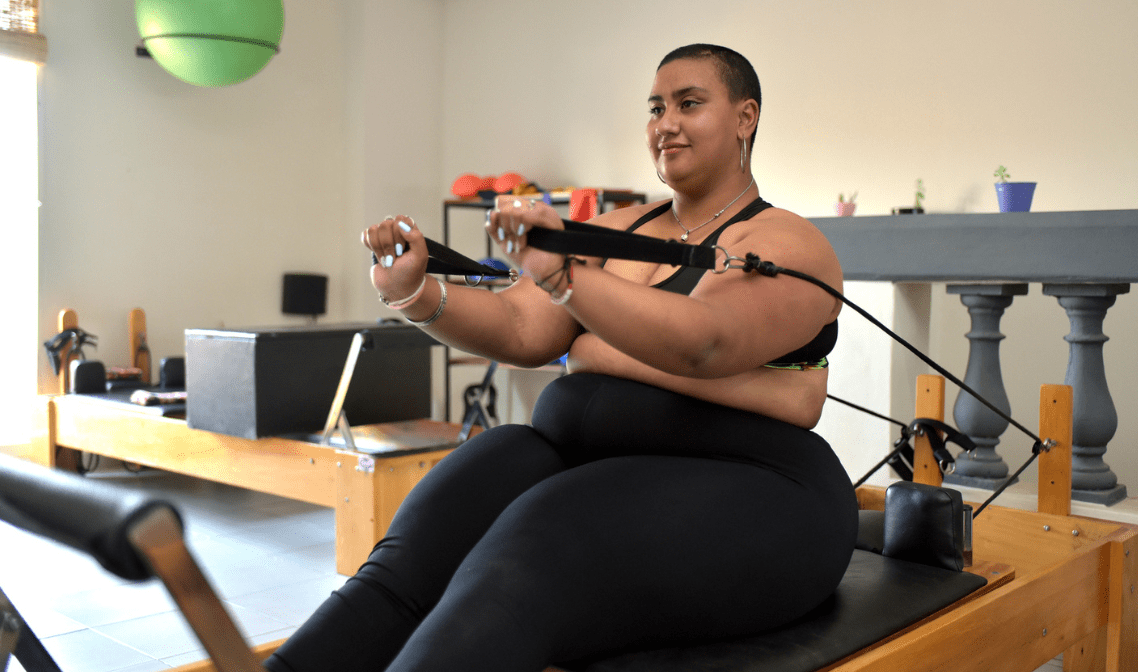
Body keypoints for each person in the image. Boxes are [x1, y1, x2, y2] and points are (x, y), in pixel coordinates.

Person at [265, 43, 857, 672]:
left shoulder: (785, 241)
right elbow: (523, 328)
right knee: (433, 530)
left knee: (536, 543)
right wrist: (415, 290)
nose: (667, 123)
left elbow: (704, 340)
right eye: (656, 108)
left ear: (745, 118)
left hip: (760, 488)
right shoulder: (620, 228)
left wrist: (574, 298)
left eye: (690, 103)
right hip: (594, 461)